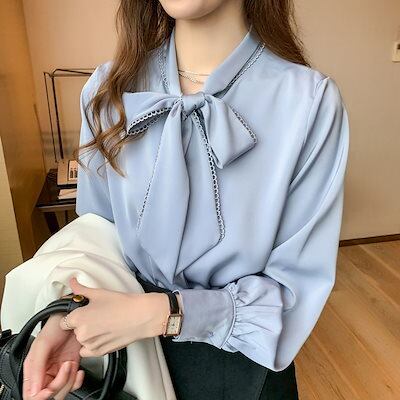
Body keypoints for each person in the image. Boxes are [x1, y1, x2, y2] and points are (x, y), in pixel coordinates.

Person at [22, 0, 350, 399]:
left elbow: (296, 288)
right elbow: (96, 240)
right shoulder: (107, 90)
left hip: (242, 365)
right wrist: (67, 316)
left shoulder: (310, 101)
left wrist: (165, 313)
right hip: (123, 360)